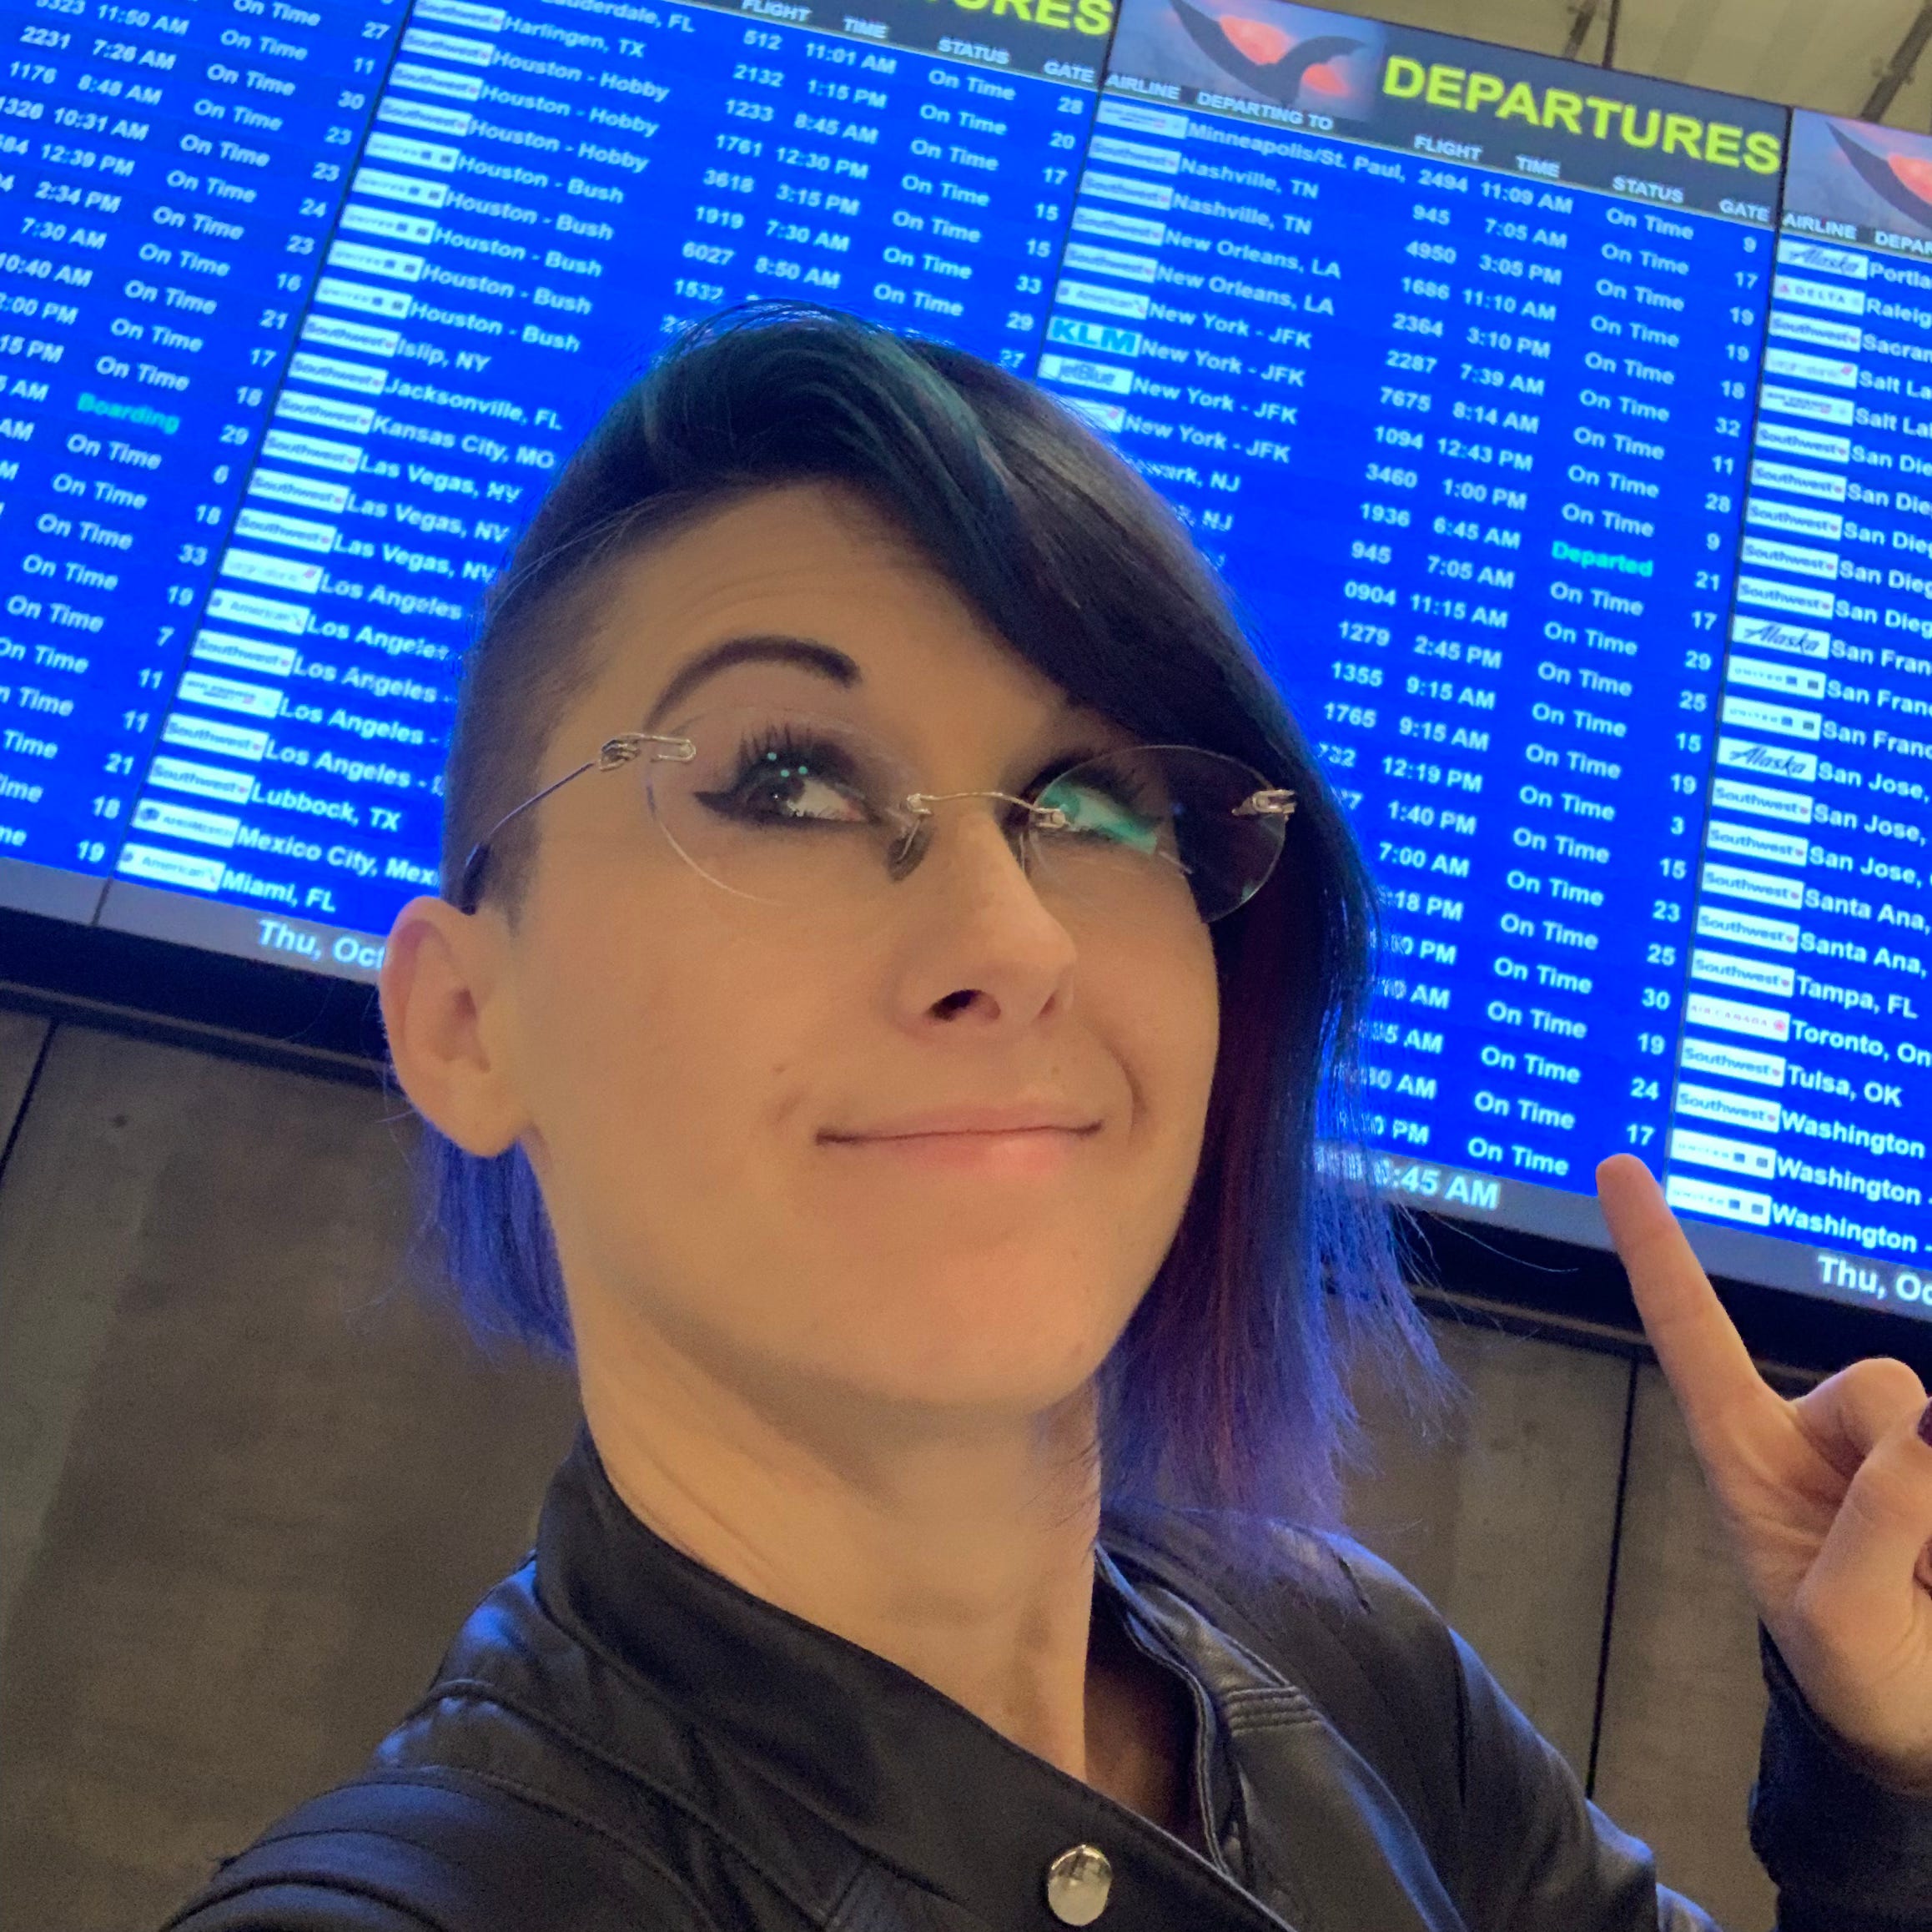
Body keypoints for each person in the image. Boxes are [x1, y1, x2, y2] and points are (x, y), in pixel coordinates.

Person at [164, 304, 1932, 1931]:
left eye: (1094, 802)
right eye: (788, 781)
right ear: (467, 1025)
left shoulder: (1354, 1668)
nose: (1010, 943)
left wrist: (1887, 1782)